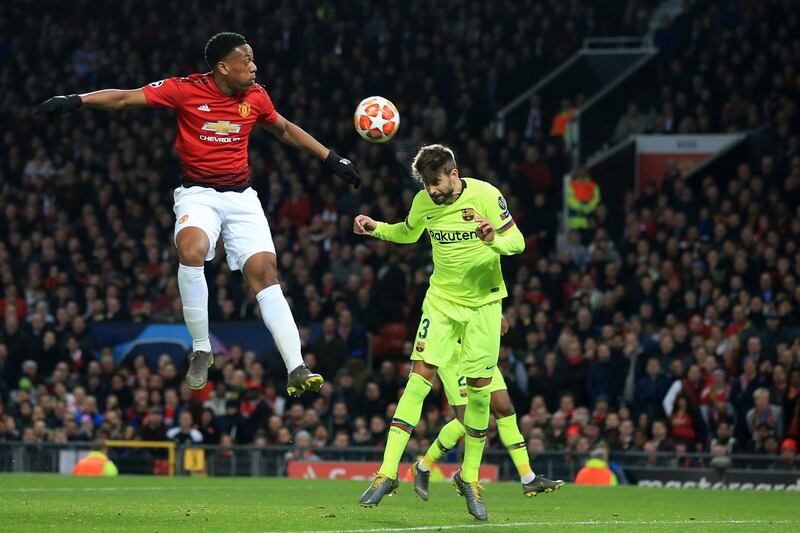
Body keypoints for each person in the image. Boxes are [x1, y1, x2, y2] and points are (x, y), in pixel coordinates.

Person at [34, 32, 361, 397]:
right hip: (197, 195)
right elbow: (126, 99)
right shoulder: (184, 90)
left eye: (253, 60)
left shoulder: (256, 97)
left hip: (242, 197)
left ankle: (296, 367)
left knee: (265, 275)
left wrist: (331, 158)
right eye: (246, 61)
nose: (254, 67)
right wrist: (76, 100)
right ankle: (202, 349)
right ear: (223, 67)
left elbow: (283, 128)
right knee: (190, 251)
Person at [354, 144, 525, 520]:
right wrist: (376, 229)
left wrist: (491, 237)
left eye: (436, 182)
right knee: (419, 378)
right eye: (426, 184)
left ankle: (470, 478)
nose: (432, 190)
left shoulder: (487, 196)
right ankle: (386, 473)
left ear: (453, 173)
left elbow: (517, 243)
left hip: (484, 306)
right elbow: (407, 233)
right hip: (442, 303)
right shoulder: (423, 202)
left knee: (480, 392)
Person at [412, 317, 564, 499]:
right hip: (454, 352)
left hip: (480, 349)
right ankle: (423, 467)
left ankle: (528, 478)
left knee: (505, 408)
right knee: (466, 420)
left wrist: (497, 316)